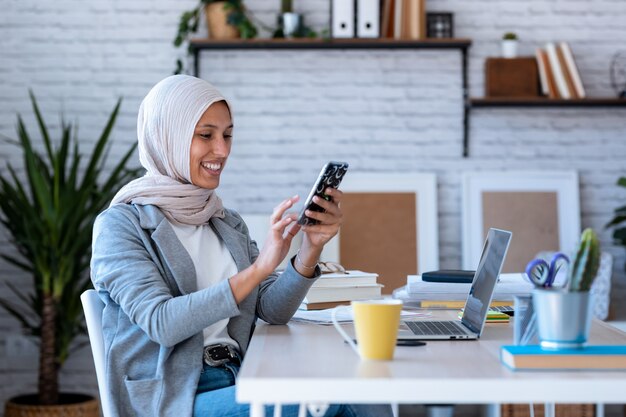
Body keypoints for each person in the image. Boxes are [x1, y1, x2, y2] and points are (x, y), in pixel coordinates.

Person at [90, 75, 393, 417]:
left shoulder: (224, 220)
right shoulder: (120, 226)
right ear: (168, 137)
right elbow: (163, 322)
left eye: (228, 135)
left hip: (242, 376)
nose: (222, 150)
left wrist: (310, 248)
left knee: (367, 390)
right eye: (206, 135)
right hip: (177, 397)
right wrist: (260, 268)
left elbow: (272, 310)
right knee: (333, 397)